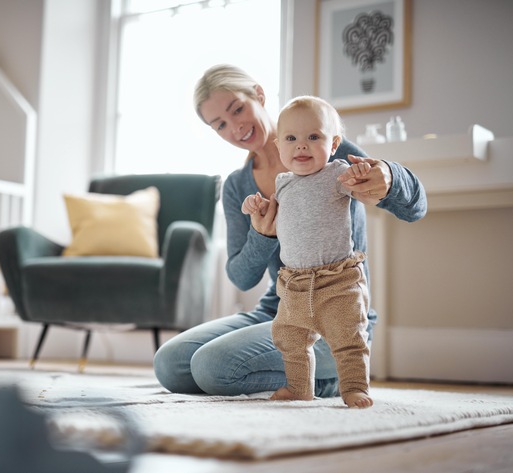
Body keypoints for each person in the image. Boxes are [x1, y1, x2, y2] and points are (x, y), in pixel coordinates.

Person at [153, 64, 427, 399]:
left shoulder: (327, 150)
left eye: (237, 109)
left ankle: (329, 378)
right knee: (170, 364)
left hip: (337, 312)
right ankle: (300, 374)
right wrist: (262, 236)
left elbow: (415, 208)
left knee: (212, 367)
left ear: (259, 95)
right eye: (219, 124)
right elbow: (241, 277)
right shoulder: (239, 187)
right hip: (283, 307)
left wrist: (389, 175)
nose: (235, 127)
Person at [242, 95, 373, 408]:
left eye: (313, 137)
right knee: (289, 338)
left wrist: (362, 177)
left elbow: (364, 191)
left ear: (334, 144)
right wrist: (255, 207)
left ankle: (355, 387)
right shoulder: (283, 183)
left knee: (349, 340)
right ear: (279, 146)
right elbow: (273, 217)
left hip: (337, 281)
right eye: (291, 138)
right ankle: (300, 388)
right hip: (294, 283)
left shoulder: (337, 173)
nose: (301, 146)